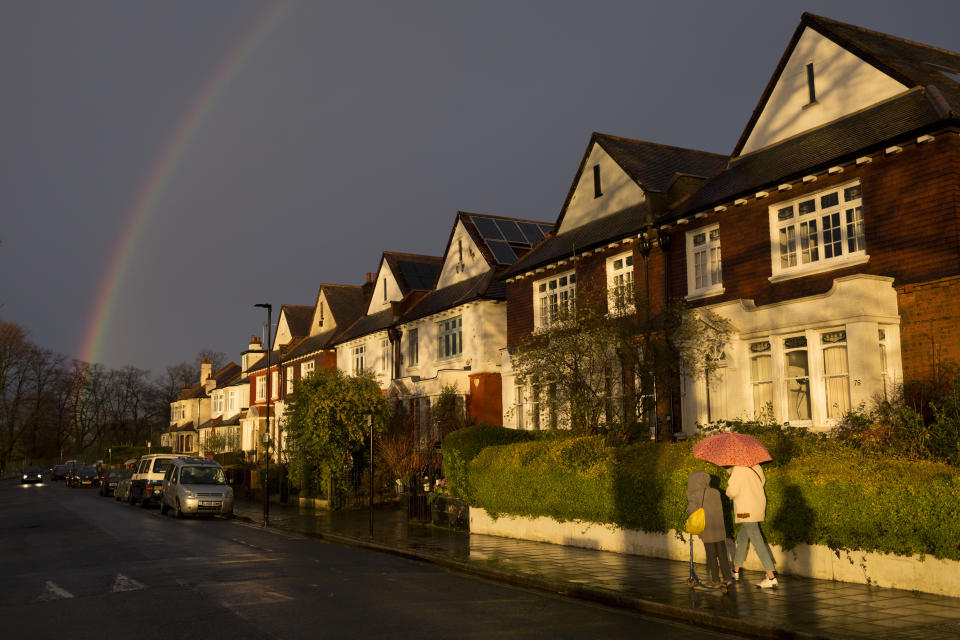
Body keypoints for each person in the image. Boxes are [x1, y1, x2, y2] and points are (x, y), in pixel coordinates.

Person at [726, 464, 777, 588]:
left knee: (756, 539)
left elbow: (732, 491)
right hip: (757, 506)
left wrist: (731, 476)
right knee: (743, 537)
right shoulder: (757, 466)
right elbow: (761, 482)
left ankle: (771, 576)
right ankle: (735, 570)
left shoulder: (738, 469)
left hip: (745, 509)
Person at [686, 470, 732, 587]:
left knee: (711, 555)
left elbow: (692, 510)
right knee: (722, 554)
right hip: (719, 528)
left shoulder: (694, 495)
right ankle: (727, 578)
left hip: (707, 529)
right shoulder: (716, 492)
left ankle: (715, 580)